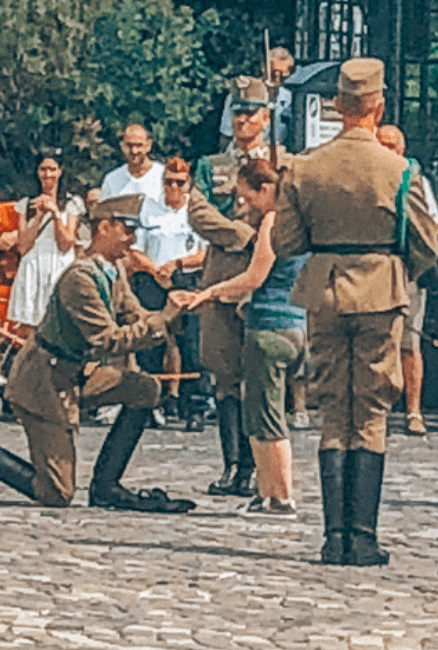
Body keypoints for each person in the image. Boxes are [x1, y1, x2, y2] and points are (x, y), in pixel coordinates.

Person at [273, 57, 438, 566]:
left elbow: (285, 241)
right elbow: (427, 243)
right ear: (379, 106)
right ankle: (361, 536)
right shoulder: (400, 169)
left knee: (331, 411)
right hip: (381, 288)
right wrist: (397, 265)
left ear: (337, 106)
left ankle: (333, 537)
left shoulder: (304, 167)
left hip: (324, 289)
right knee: (369, 413)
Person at [0, 194, 196, 514]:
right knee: (57, 493)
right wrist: (164, 319)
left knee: (145, 389)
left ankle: (106, 485)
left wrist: (174, 309)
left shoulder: (111, 269)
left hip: (75, 374)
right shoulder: (80, 278)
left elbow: (133, 315)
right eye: (127, 230)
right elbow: (108, 340)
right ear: (104, 227)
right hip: (44, 383)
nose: (132, 239)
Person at [190, 158, 307, 518]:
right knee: (259, 412)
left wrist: (210, 292)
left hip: (270, 324)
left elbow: (255, 277)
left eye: (247, 197)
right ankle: (266, 492)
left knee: (268, 416)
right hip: (294, 323)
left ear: (266, 190)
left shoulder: (274, 222)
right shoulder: (301, 223)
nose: (245, 205)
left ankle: (281, 495)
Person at [190, 75, 280, 498]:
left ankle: (263, 465)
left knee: (260, 373)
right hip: (225, 268)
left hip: (266, 274)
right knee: (224, 371)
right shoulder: (212, 166)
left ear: (266, 116)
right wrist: (239, 234)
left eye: (251, 112)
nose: (243, 120)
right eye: (238, 112)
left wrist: (260, 235)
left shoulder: (283, 162)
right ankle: (233, 465)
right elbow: (198, 212)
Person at [130, 158, 209, 431]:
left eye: (179, 182)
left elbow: (205, 251)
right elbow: (135, 249)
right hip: (152, 277)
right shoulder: (149, 209)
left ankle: (195, 406)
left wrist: (177, 266)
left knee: (191, 345)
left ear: (188, 183)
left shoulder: (197, 211)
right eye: (168, 181)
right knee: (152, 342)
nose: (173, 187)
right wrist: (155, 270)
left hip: (185, 275)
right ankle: (151, 402)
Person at [375, 124, 438, 435]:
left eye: (393, 145)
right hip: (373, 271)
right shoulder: (367, 177)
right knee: (376, 344)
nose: (387, 150)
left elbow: (434, 228)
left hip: (407, 270)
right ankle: (379, 410)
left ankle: (414, 410)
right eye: (382, 144)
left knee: (409, 343)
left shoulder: (416, 182)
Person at [6, 155, 84, 329]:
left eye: (52, 169)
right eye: (43, 169)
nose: (48, 174)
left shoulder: (71, 203)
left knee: (61, 323)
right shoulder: (26, 204)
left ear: (60, 171)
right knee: (29, 327)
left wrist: (55, 214)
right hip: (33, 265)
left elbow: (66, 243)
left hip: (59, 265)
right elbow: (23, 246)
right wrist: (39, 215)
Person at [218, 48, 295, 146]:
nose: (277, 78)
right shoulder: (242, 94)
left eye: (282, 74)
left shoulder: (288, 98)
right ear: (264, 67)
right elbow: (226, 135)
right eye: (273, 73)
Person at [100, 124, 165, 205]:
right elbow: (104, 214)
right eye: (129, 145)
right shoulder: (112, 180)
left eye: (139, 145)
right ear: (122, 146)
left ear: (148, 145)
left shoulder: (164, 176)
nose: (134, 151)